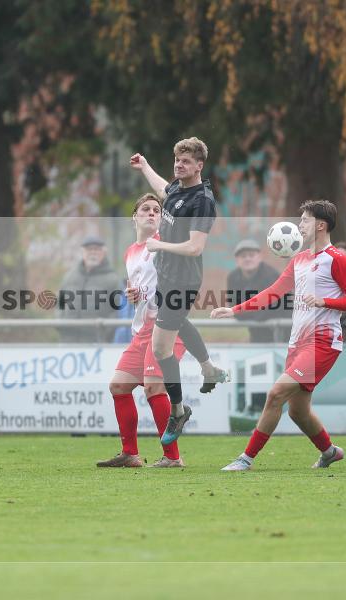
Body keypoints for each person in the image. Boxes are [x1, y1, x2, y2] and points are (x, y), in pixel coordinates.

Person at [213, 200, 346, 471]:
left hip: (323, 342)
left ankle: (245, 459)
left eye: (304, 219)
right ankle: (329, 451)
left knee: (275, 394)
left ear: (320, 225)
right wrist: (234, 310)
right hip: (298, 343)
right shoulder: (300, 259)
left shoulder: (338, 260)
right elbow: (273, 293)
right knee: (298, 411)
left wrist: (324, 301)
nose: (300, 224)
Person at [130, 137, 229, 446]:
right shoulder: (177, 188)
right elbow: (164, 190)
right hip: (166, 276)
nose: (179, 165)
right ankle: (209, 369)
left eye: (185, 161)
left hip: (183, 282)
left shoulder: (203, 200)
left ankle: (178, 410)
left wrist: (159, 245)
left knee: (161, 349)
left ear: (199, 165)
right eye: (177, 160)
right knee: (180, 324)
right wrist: (146, 166)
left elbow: (195, 246)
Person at [97, 193, 186, 468]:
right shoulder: (130, 251)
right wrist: (133, 294)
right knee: (119, 386)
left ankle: (173, 457)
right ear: (134, 217)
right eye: (145, 209)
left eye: (156, 210)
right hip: (141, 330)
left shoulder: (165, 243)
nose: (151, 213)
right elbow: (142, 286)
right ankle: (130, 454)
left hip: (167, 325)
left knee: (154, 387)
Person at [56, 236, 121, 343]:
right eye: (89, 249)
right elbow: (59, 303)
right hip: (67, 340)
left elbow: (117, 311)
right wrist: (60, 322)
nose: (93, 253)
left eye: (97, 249)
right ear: (82, 252)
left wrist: (104, 331)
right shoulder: (69, 277)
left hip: (96, 342)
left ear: (104, 253)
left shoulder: (113, 280)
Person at [226, 239, 288, 343]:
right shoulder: (233, 277)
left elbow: (275, 307)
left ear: (259, 257)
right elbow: (234, 307)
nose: (247, 259)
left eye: (251, 255)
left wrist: (245, 313)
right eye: (243, 256)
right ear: (237, 259)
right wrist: (245, 313)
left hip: (281, 325)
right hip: (256, 326)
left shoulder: (271, 276)